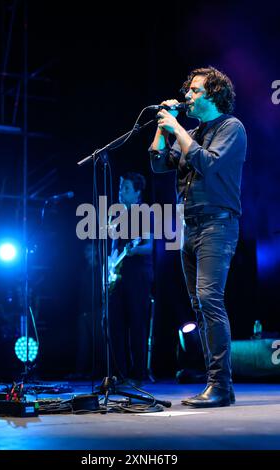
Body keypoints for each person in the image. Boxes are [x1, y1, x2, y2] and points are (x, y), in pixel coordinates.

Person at [149, 66, 247, 407]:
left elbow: (206, 162)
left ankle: (221, 386)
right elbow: (158, 163)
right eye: (188, 90)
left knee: (209, 301)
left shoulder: (231, 128)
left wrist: (177, 128)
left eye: (195, 91)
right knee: (199, 306)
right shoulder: (193, 131)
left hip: (218, 225)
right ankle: (214, 383)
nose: (187, 96)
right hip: (189, 226)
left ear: (214, 94)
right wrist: (164, 128)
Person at [108, 172, 153, 386]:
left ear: (137, 193)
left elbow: (149, 246)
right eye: (121, 187)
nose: (121, 191)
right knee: (116, 325)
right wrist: (109, 268)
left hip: (138, 276)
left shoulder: (143, 214)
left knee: (137, 324)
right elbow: (114, 246)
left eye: (126, 188)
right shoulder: (116, 215)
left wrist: (134, 251)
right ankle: (120, 373)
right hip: (118, 276)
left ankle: (139, 374)